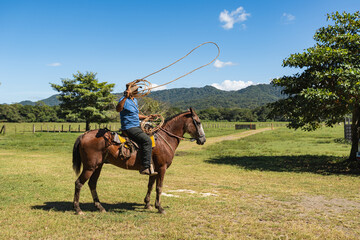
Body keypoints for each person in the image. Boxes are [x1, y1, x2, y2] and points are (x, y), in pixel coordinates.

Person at [116, 83, 158, 176]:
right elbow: (118, 109)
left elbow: (135, 115)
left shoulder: (134, 100)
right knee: (146, 141)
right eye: (136, 90)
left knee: (152, 135)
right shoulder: (124, 100)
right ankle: (144, 167)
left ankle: (151, 163)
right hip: (129, 127)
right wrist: (124, 97)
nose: (137, 92)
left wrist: (146, 117)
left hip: (136, 126)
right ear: (130, 92)